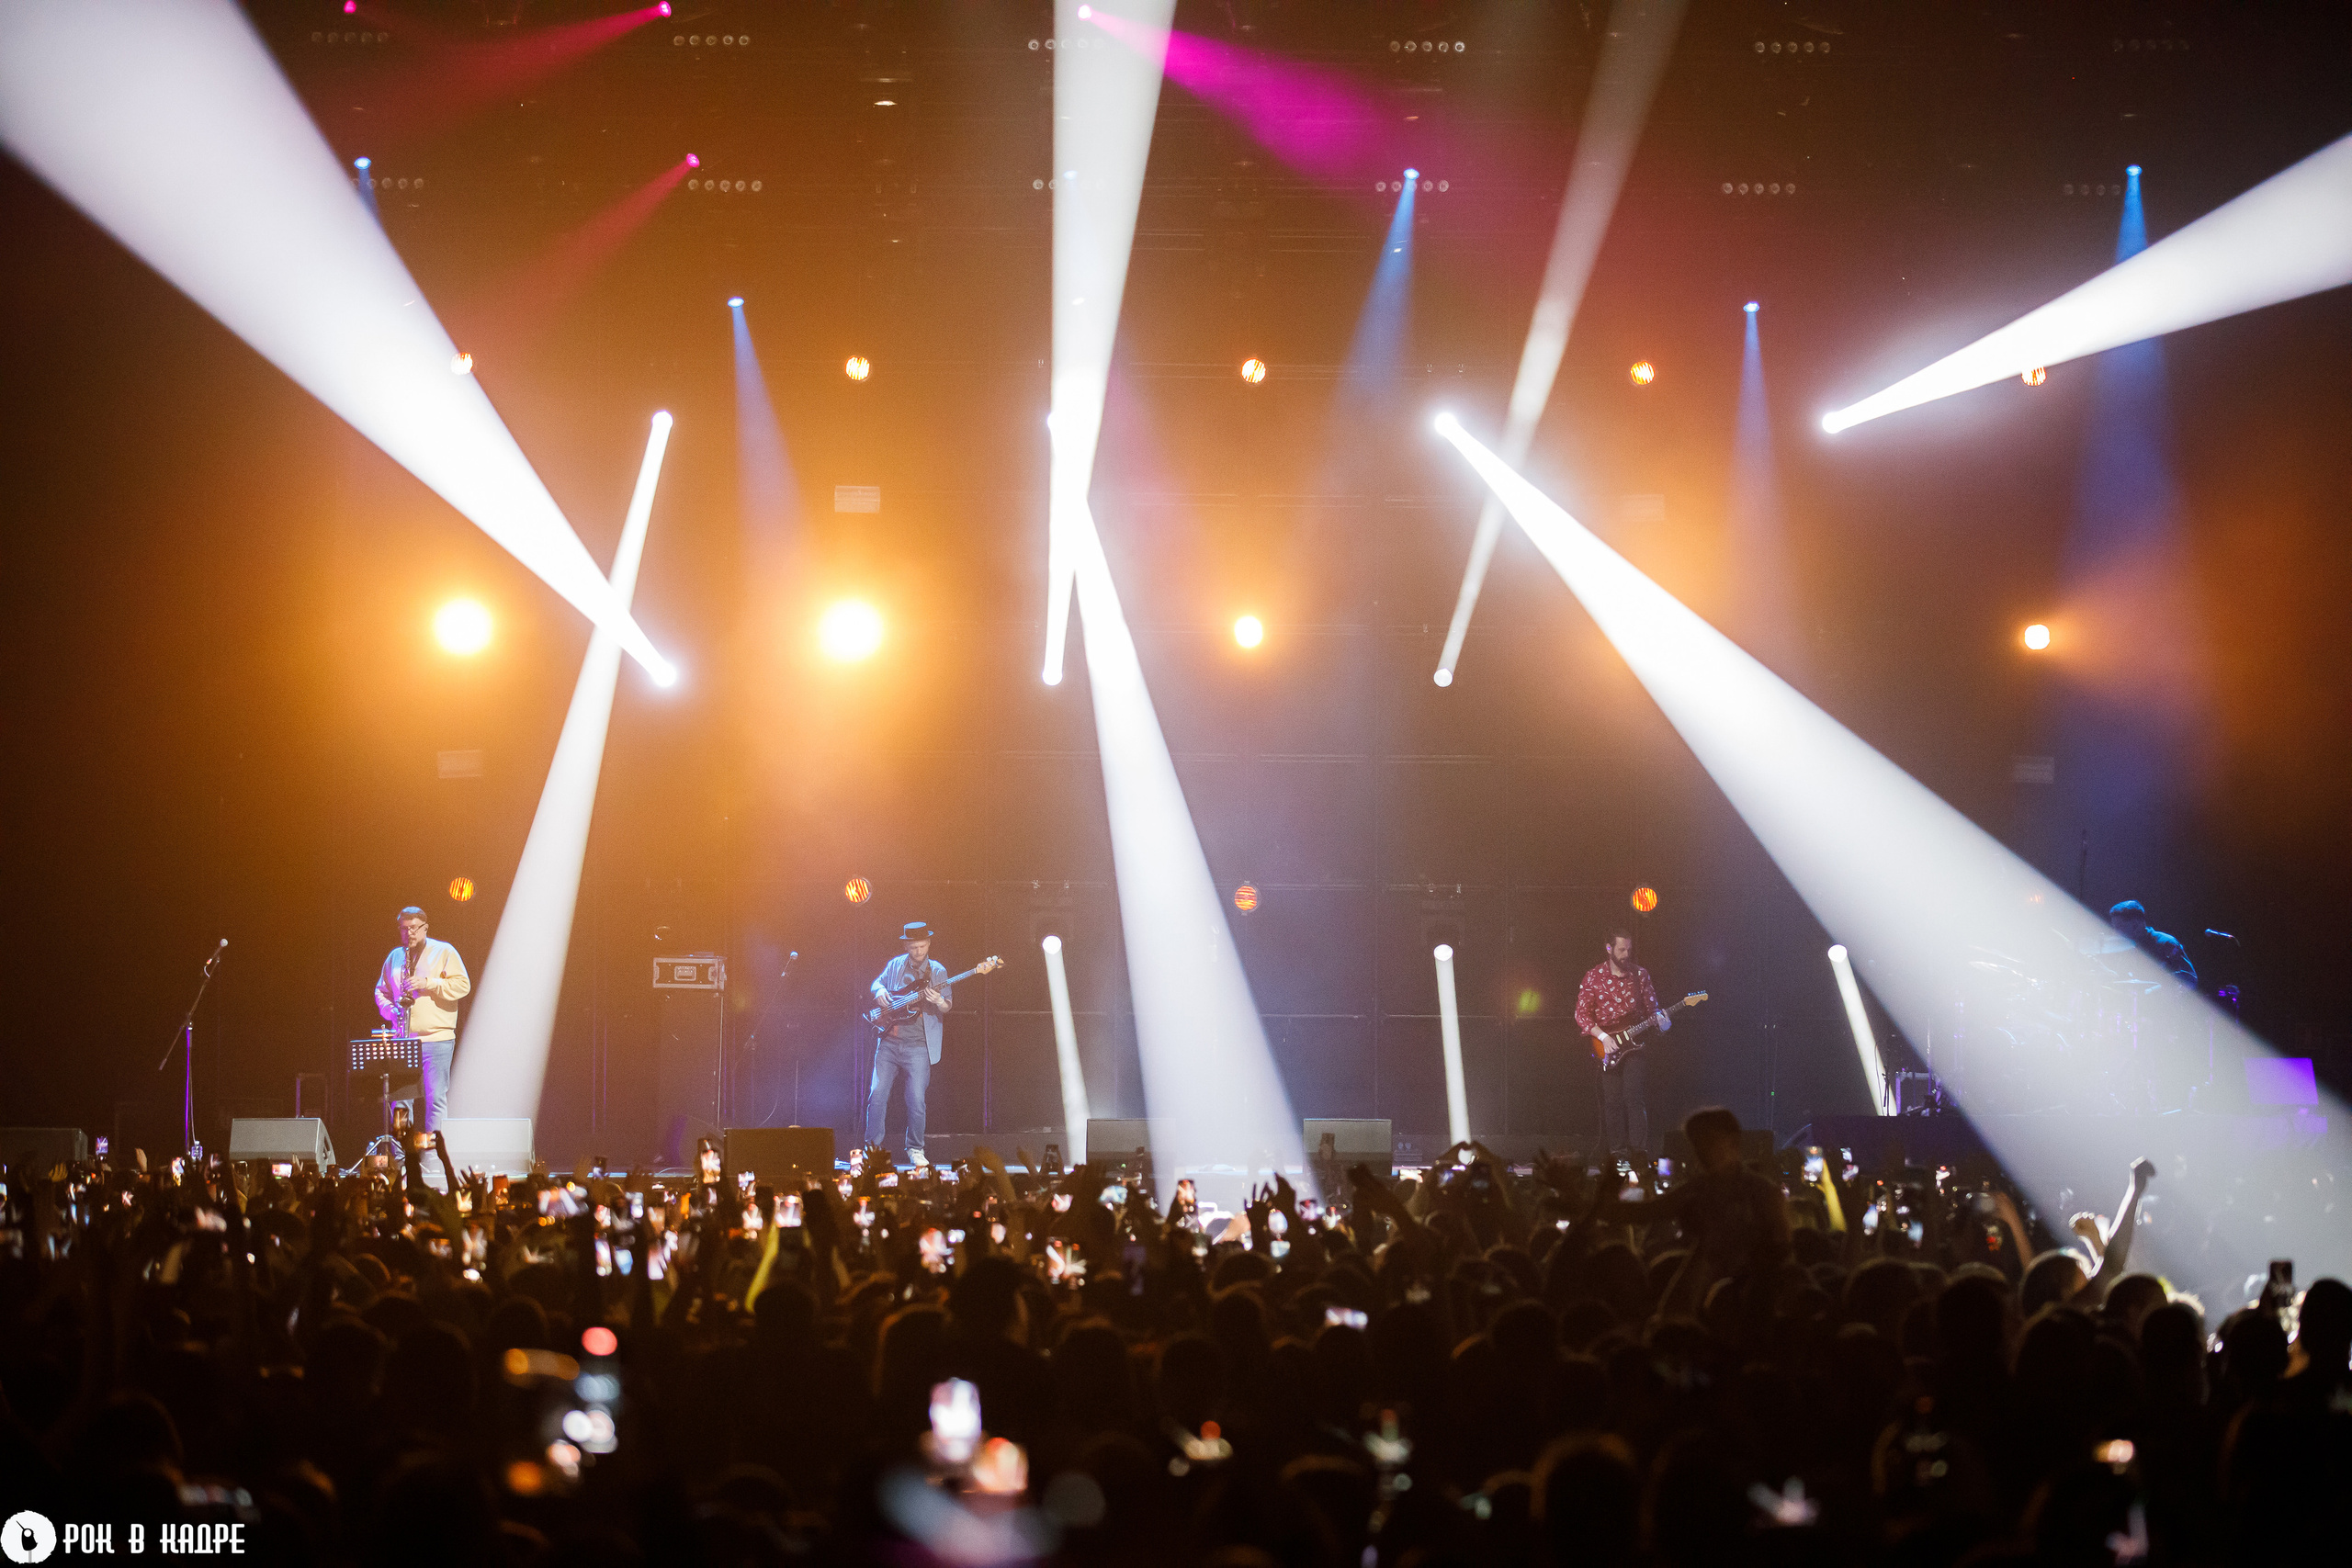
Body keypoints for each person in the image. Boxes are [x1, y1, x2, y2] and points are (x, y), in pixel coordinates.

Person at [372, 905, 471, 1132]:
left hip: (437, 1040)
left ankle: (434, 1160)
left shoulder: (444, 951)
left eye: (415, 928)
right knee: (400, 1104)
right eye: (404, 929)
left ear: (426, 928)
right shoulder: (395, 957)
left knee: (435, 1099)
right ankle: (401, 1161)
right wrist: (391, 1011)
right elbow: (381, 991)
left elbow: (463, 985)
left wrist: (428, 983)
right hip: (404, 1040)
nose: (410, 934)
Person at [1574, 928, 1671, 1155]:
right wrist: (1603, 1037)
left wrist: (1663, 1025)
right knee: (1612, 1102)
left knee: (1633, 1097)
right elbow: (1581, 1014)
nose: (1626, 954)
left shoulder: (1640, 975)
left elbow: (1652, 1012)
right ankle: (1617, 1152)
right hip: (1606, 1047)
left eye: (1629, 949)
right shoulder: (1593, 977)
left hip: (1635, 1047)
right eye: (1621, 949)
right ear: (1609, 949)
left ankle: (1639, 1152)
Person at [866, 920, 953, 1167]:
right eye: (914, 947)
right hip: (889, 1042)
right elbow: (877, 983)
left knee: (916, 1100)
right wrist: (879, 991)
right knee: (877, 1095)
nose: (918, 951)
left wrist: (938, 1000)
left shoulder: (937, 971)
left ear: (929, 943)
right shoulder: (895, 964)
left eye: (923, 946)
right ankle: (872, 1149)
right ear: (906, 945)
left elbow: (947, 1005)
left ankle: (915, 1149)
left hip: (918, 1046)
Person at [2108, 899, 2198, 986]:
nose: (2115, 932)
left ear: (2136, 923)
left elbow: (2190, 979)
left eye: (2119, 926)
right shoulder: (2126, 947)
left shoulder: (2166, 943)